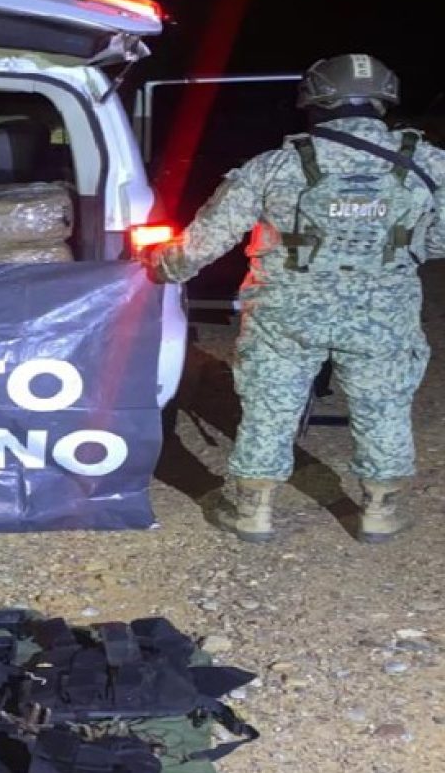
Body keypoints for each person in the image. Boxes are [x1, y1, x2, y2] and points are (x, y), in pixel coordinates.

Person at [140, 54, 445, 544]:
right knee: (384, 405)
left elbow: (205, 242)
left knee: (270, 406)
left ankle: (253, 513)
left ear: (315, 101)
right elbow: (440, 240)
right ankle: (380, 512)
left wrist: (159, 266)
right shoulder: (427, 162)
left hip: (286, 313)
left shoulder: (275, 165)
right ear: (382, 99)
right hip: (384, 313)